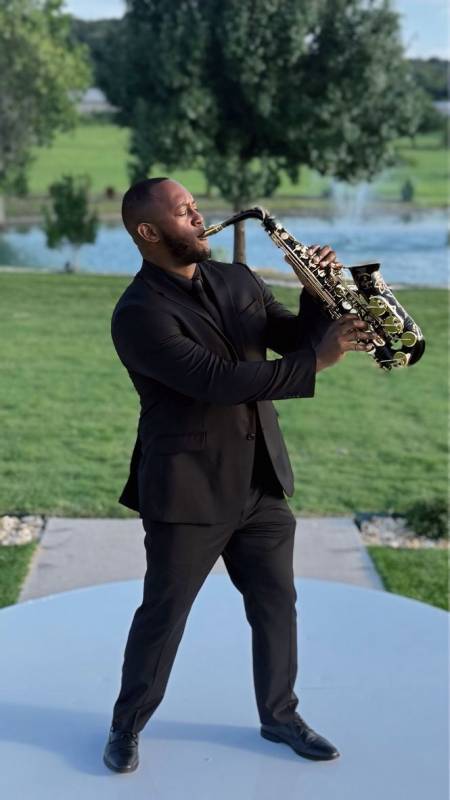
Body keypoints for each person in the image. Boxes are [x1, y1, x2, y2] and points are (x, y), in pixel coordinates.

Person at [103, 177, 374, 773]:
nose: (199, 216)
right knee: (164, 615)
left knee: (276, 604)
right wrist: (316, 362)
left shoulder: (237, 279)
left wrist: (314, 292)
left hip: (261, 480)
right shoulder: (138, 315)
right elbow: (218, 383)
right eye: (184, 212)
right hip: (188, 490)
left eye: (196, 206)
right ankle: (126, 725)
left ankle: (280, 716)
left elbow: (290, 337)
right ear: (149, 232)